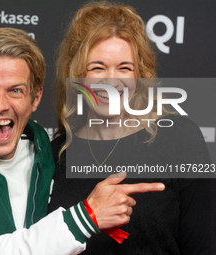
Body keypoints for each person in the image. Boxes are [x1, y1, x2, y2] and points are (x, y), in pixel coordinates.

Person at [0, 27, 165, 255]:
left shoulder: (41, 142)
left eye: (15, 90)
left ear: (35, 98)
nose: (0, 105)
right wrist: (87, 216)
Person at [48, 1, 216, 255]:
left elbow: (203, 246)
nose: (112, 81)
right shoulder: (56, 153)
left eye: (124, 68)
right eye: (97, 68)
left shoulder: (179, 138)